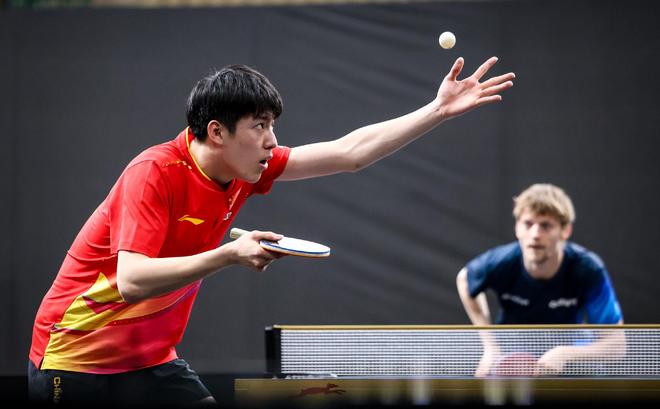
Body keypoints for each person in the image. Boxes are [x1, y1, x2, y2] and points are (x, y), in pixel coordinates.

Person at [29, 57, 514, 406]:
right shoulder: (154, 173)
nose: (272, 140)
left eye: (273, 125)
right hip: (75, 355)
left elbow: (350, 153)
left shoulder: (247, 171)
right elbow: (133, 281)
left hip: (149, 359)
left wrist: (436, 110)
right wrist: (229, 254)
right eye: (260, 126)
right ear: (217, 132)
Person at [456, 183, 625, 377]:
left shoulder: (588, 269)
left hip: (569, 348)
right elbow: (464, 279)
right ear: (517, 228)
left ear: (565, 231)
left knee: (594, 375)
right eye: (528, 224)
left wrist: (566, 354)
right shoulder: (501, 262)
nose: (535, 234)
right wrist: (490, 347)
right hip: (512, 351)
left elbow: (617, 345)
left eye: (546, 226)